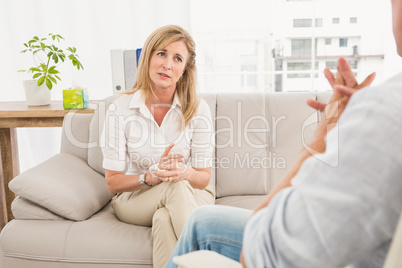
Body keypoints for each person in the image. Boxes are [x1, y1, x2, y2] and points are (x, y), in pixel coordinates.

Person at [166, 0, 402, 266]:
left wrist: (323, 134)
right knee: (201, 221)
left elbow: (262, 252)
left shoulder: (386, 111)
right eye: (161, 54)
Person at [101, 25, 215, 268]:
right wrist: (150, 177)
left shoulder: (198, 109)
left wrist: (183, 173)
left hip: (193, 193)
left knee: (165, 218)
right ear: (148, 57)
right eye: (161, 53)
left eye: (177, 58)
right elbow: (113, 183)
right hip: (135, 197)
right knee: (173, 188)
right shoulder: (119, 110)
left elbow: (203, 179)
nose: (167, 65)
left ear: (184, 70)